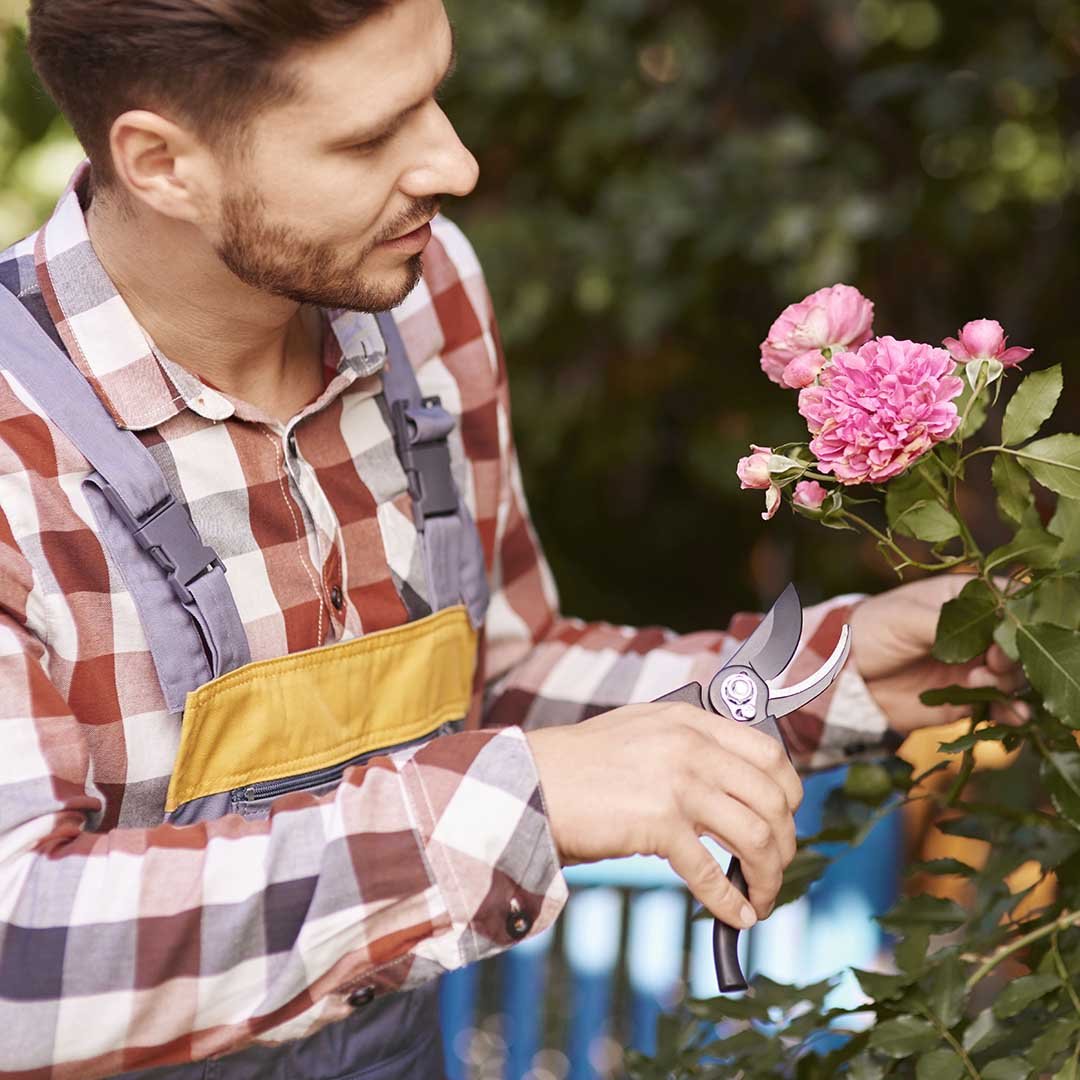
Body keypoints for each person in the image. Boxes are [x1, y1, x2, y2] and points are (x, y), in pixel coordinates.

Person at [0, 1, 1024, 1078]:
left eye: (434, 95)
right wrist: (510, 804)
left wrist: (823, 676)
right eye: (367, 137)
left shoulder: (423, 296)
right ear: (162, 163)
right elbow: (19, 959)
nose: (456, 164)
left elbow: (497, 678)